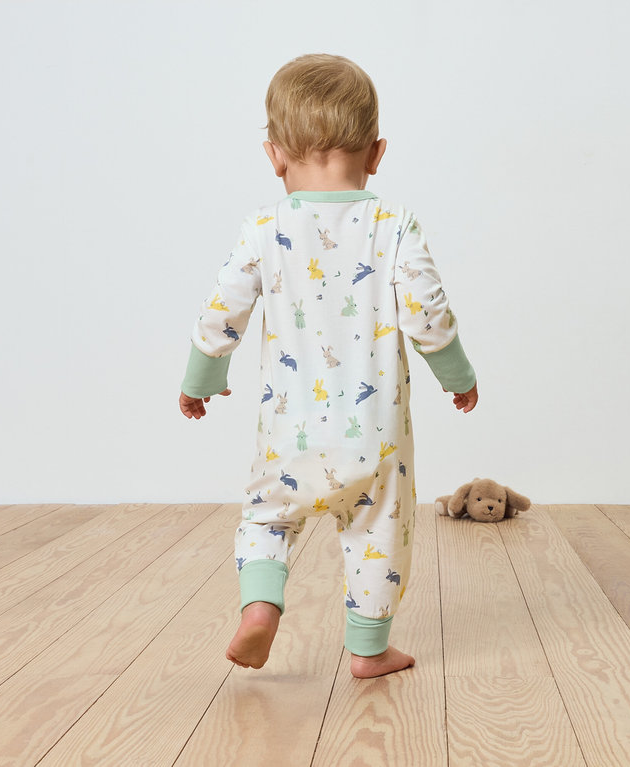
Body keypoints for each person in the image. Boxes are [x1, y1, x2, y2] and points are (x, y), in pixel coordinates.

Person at [179, 54, 478, 678]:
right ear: (377, 153)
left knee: (264, 518)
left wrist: (201, 380)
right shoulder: (394, 225)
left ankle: (260, 607)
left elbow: (222, 313)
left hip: (287, 440)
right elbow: (429, 314)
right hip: (375, 440)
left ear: (273, 154)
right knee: (378, 535)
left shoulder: (263, 227)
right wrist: (457, 376)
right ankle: (369, 650)